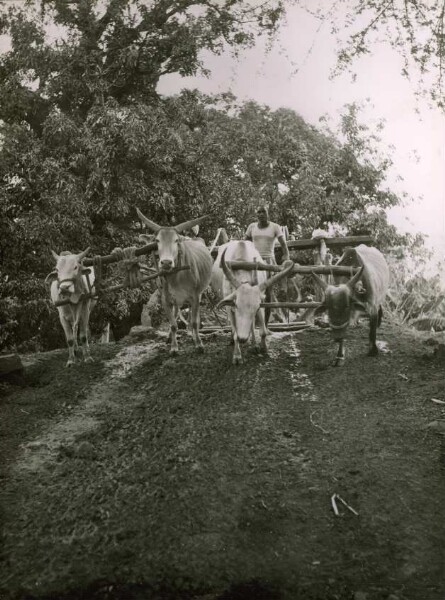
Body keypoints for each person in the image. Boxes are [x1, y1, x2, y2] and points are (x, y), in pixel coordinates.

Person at [245, 205, 291, 323]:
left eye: (263, 212)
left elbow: (283, 244)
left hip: (268, 261)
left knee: (268, 291)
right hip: (254, 261)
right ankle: (252, 321)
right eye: (259, 212)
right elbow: (245, 243)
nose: (261, 214)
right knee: (251, 289)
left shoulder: (275, 227)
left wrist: (286, 257)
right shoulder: (252, 227)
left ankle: (265, 324)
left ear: (267, 213)